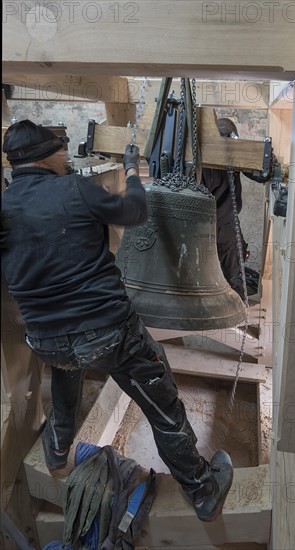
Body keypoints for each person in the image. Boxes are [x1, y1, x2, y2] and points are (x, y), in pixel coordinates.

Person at [1, 120, 233, 523]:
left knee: (65, 367)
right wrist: (131, 171)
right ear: (48, 156)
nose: (66, 156)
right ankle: (202, 488)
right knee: (162, 404)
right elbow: (136, 211)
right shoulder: (77, 189)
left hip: (45, 338)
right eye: (62, 149)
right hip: (108, 334)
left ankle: (58, 446)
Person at [201, 118, 257, 299]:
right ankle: (228, 298)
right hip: (215, 223)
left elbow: (258, 173)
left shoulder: (232, 156)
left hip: (225, 221)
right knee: (229, 270)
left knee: (233, 266)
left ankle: (229, 297)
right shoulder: (207, 162)